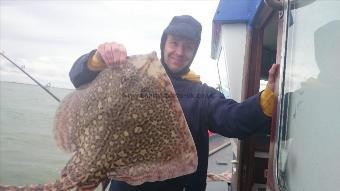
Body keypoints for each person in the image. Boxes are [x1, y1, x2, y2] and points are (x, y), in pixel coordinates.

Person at [69, 15, 279, 191]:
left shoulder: (202, 95)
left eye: (188, 47)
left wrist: (269, 95)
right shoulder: (133, 77)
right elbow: (80, 79)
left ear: (195, 52)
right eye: (174, 43)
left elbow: (234, 120)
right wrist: (96, 60)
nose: (179, 52)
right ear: (164, 44)